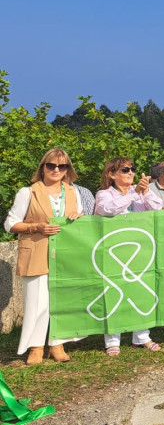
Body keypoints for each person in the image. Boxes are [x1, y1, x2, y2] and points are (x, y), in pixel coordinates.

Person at [4, 149, 85, 365]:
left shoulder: (72, 192)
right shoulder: (27, 192)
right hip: (36, 251)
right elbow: (10, 224)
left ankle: (57, 344)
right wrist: (36, 227)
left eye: (62, 166)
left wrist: (80, 216)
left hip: (66, 254)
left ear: (68, 169)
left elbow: (79, 218)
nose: (57, 170)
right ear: (43, 167)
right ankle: (36, 347)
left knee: (63, 301)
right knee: (36, 303)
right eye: (51, 165)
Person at [95, 156, 163, 356]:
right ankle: (113, 339)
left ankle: (141, 336)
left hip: (140, 247)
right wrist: (134, 196)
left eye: (132, 169)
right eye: (125, 170)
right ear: (112, 174)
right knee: (113, 292)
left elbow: (157, 208)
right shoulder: (103, 194)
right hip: (114, 249)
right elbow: (106, 210)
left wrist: (146, 191)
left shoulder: (139, 192)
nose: (131, 173)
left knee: (141, 290)